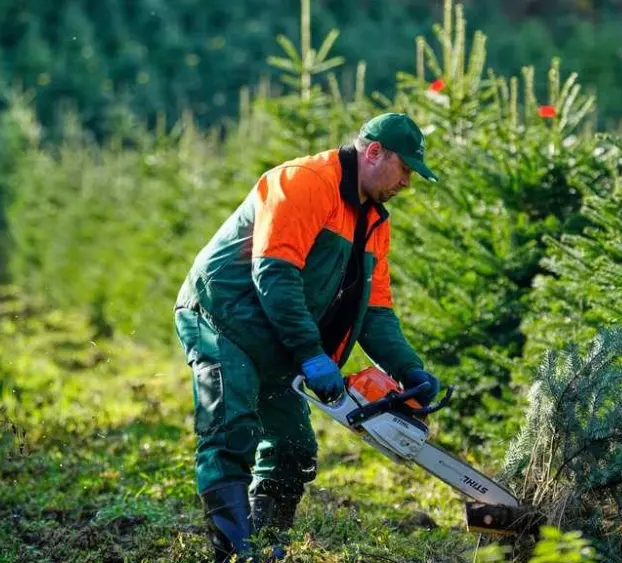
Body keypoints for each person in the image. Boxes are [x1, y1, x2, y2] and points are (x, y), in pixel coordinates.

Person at [173, 112, 442, 562]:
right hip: (222, 315)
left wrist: (407, 368)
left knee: (294, 448)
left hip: (276, 336)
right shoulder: (303, 182)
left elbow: (374, 309)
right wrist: (311, 355)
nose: (408, 183)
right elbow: (274, 275)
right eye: (406, 168)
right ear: (374, 152)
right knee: (231, 426)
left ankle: (263, 543)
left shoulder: (373, 221)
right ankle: (235, 553)